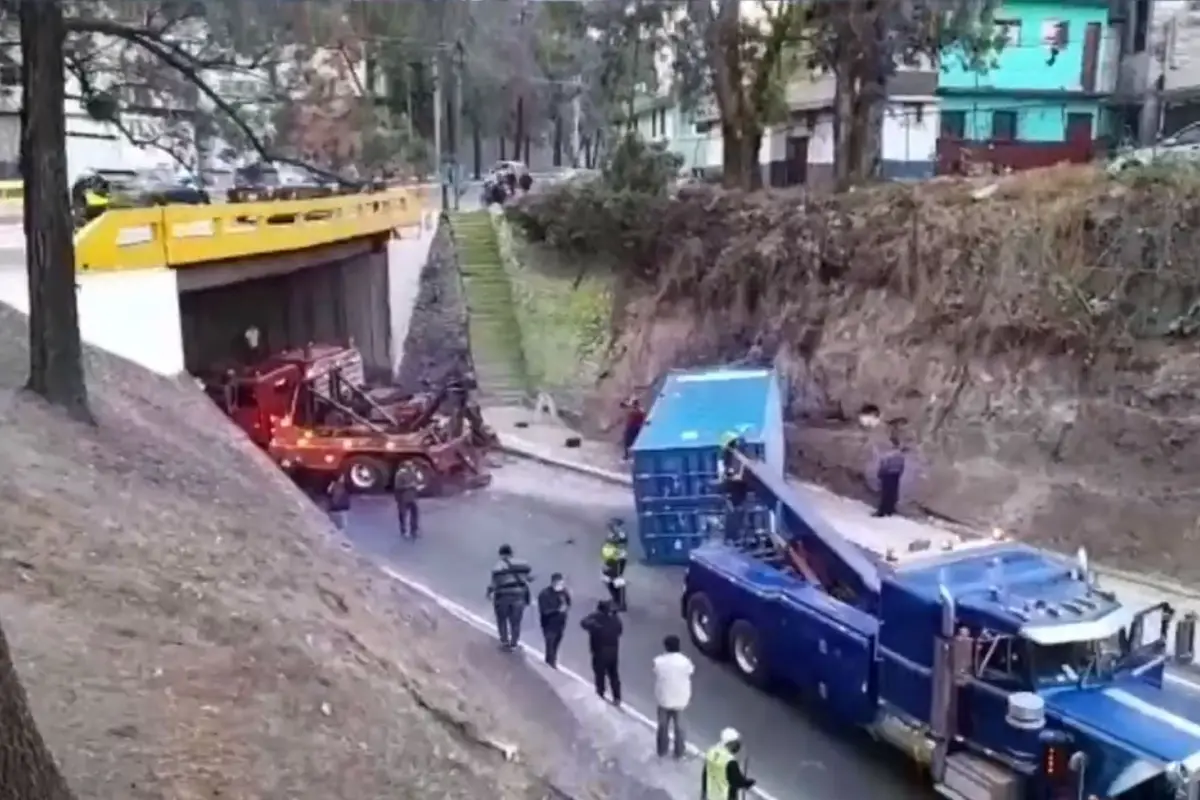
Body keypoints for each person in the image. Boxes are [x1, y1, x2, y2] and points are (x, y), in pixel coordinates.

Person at [653, 634, 694, 759]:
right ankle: (679, 752)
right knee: (680, 729)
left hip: (664, 699)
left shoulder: (659, 661)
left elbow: (656, 671)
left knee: (662, 726)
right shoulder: (685, 661)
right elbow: (690, 671)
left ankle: (662, 750)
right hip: (680, 700)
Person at [487, 544, 533, 651]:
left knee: (502, 619)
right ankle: (514, 644)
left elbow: (494, 584)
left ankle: (504, 642)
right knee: (515, 621)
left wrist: (488, 593)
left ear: (501, 555)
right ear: (511, 553)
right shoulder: (523, 564)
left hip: (503, 597)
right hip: (519, 597)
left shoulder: (497, 567)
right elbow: (528, 577)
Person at [580, 600, 623, 705]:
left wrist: (595, 627)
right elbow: (620, 631)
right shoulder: (615, 619)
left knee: (600, 673)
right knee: (613, 674)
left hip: (600, 650)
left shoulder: (597, 618)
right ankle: (617, 697)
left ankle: (600, 693)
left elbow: (584, 623)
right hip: (613, 650)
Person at [702, 728, 756, 800]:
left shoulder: (712, 752)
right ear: (729, 743)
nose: (737, 747)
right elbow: (737, 781)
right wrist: (747, 783)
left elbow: (705, 773)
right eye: (736, 744)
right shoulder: (730, 761)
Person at [537, 572, 571, 668]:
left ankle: (551, 660)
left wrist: (565, 609)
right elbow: (544, 611)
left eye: (561, 583)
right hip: (548, 623)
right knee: (550, 643)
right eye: (558, 583)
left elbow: (568, 603)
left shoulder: (564, 592)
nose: (560, 585)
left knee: (556, 642)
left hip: (560, 623)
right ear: (553, 582)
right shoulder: (544, 594)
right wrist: (557, 610)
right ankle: (551, 663)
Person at [874, 433, 906, 518]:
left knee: (885, 493)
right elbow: (902, 466)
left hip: (888, 474)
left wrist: (880, 473)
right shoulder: (901, 454)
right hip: (896, 475)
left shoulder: (889, 453)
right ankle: (890, 509)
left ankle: (882, 511)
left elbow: (884, 464)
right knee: (892, 493)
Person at [600, 519, 629, 612]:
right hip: (610, 559)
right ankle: (615, 600)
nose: (610, 527)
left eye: (613, 525)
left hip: (617, 560)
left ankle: (621, 603)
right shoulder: (612, 534)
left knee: (617, 579)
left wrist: (613, 539)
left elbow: (621, 542)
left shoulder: (620, 534)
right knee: (607, 578)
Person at [393, 466, 420, 539]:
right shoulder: (400, 474)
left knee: (415, 514)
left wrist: (416, 487)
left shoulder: (413, 473)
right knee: (403, 515)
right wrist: (410, 486)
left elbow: (416, 483)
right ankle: (403, 531)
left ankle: (414, 530)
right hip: (403, 498)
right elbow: (398, 487)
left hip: (412, 497)